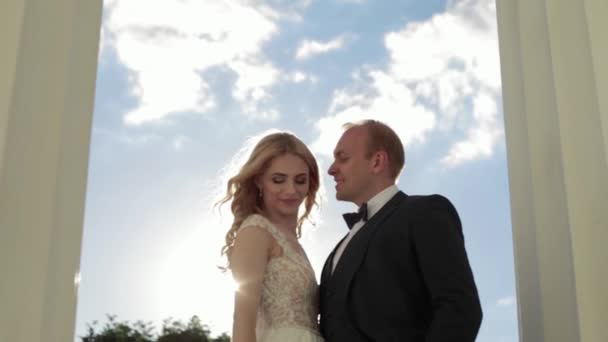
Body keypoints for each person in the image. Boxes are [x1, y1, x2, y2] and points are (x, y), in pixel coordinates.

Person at [319, 120, 482, 341]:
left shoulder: (424, 212)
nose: (331, 169)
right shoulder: (339, 247)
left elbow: (459, 308)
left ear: (377, 162)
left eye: (343, 158)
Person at [217, 132, 324, 342]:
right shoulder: (256, 232)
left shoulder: (294, 243)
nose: (291, 190)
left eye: (300, 180)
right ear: (259, 180)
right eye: (278, 180)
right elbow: (242, 320)